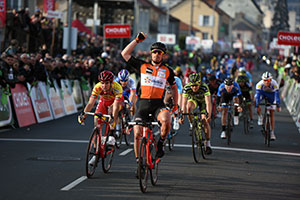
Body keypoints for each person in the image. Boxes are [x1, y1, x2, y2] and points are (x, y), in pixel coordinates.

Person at [121, 32, 178, 166]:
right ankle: (139, 161)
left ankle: (160, 144)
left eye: (160, 52)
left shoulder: (168, 70)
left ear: (163, 55)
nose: (157, 54)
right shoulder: (142, 66)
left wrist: (175, 105)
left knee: (167, 121)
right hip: (143, 104)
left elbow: (174, 88)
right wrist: (136, 40)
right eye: (154, 52)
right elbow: (125, 54)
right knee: (137, 134)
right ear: (151, 54)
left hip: (158, 104)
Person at [179, 73, 212, 154]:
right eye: (192, 85)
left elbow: (208, 103)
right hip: (194, 100)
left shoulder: (204, 87)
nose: (194, 87)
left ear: (200, 83)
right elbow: (183, 103)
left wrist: (209, 114)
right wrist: (182, 115)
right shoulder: (186, 88)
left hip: (203, 102)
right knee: (188, 108)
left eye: (196, 86)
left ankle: (208, 144)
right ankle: (191, 124)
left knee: (205, 121)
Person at [255, 71, 281, 140]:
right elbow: (258, 96)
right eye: (265, 80)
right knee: (255, 101)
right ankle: (260, 116)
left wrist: (278, 105)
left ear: (271, 80)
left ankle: (272, 132)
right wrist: (257, 105)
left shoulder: (274, 83)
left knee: (272, 113)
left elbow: (277, 96)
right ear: (262, 80)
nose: (266, 82)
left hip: (271, 95)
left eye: (268, 80)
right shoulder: (259, 84)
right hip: (262, 94)